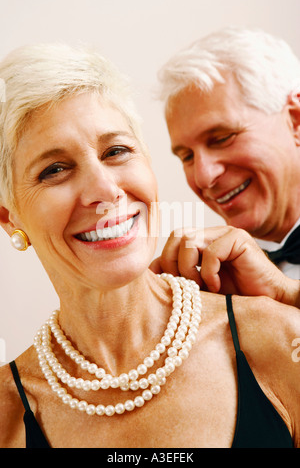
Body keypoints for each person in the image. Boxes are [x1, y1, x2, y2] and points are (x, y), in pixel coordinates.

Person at [0, 43, 299, 449]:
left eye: (116, 151)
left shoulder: (278, 339)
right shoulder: (6, 410)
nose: (104, 190)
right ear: (9, 217)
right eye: (55, 169)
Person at [154, 27, 300, 285]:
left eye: (222, 138)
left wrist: (285, 294)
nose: (204, 177)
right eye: (186, 157)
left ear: (295, 120)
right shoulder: (212, 288)